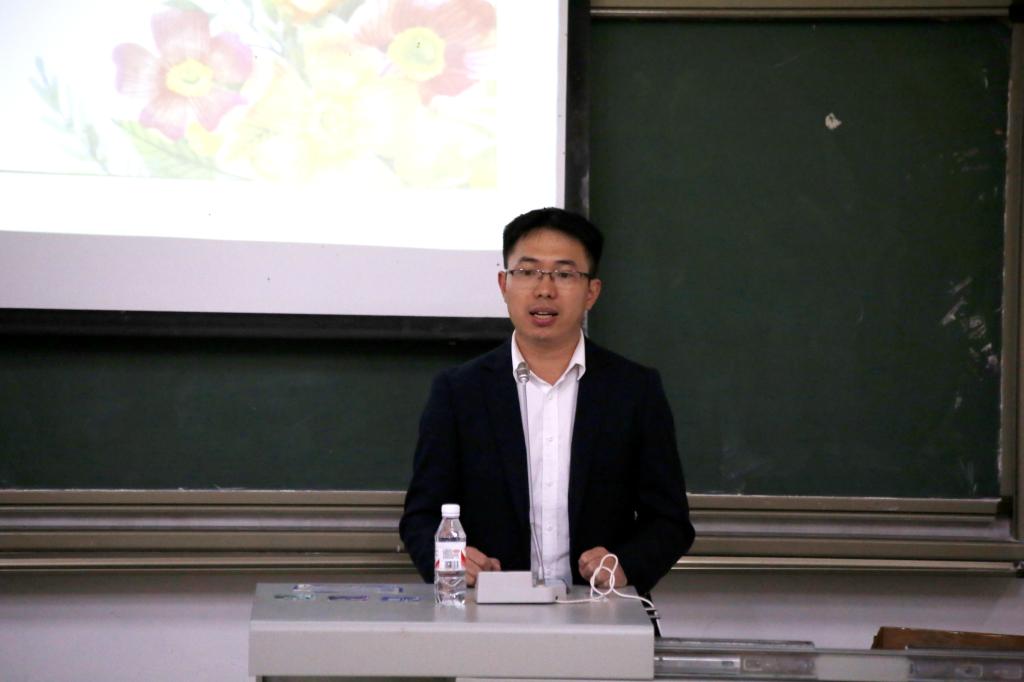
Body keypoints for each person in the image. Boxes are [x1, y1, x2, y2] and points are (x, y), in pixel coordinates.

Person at [399, 207, 694, 595]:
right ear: (504, 284)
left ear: (592, 292)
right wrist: (451, 560)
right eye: (527, 271)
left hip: (600, 610)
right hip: (488, 610)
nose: (544, 289)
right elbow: (420, 518)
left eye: (564, 274)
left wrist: (625, 565)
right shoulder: (459, 391)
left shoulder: (634, 390)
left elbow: (670, 521)